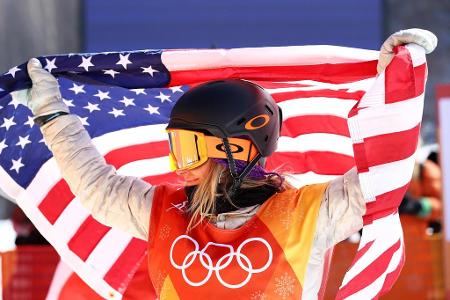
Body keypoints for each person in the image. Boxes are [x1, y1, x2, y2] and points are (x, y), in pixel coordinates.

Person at [24, 29, 436, 299]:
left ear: (235, 150)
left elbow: (381, 178)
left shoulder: (310, 213)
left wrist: (393, 88)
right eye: (175, 146)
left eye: (189, 147)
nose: (179, 164)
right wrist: (52, 115)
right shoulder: (164, 211)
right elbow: (98, 188)